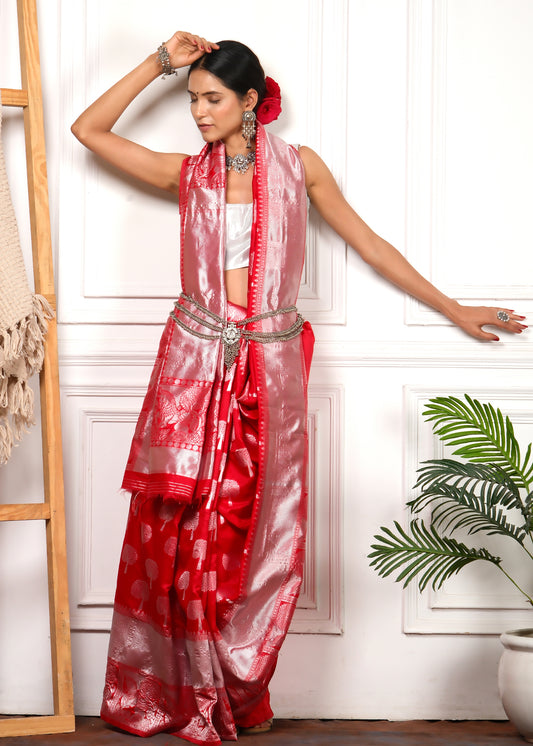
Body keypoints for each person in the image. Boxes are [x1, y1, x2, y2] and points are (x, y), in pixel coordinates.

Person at [71, 32, 526, 744]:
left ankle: (238, 691)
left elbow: (371, 244)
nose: (197, 113)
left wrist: (454, 307)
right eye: (191, 101)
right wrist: (158, 64)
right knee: (184, 530)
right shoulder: (186, 174)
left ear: (251, 100)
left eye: (211, 99)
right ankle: (183, 692)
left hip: (270, 373)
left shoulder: (298, 167)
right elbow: (87, 130)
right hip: (193, 370)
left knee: (257, 532)